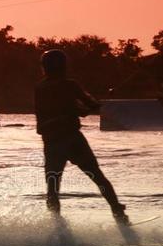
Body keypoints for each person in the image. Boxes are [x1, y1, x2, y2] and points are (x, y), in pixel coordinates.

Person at [34, 49, 129, 225]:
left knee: (52, 188)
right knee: (97, 177)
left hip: (52, 142)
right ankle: (118, 212)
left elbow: (49, 114)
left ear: (44, 67)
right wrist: (93, 105)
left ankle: (56, 226)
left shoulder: (39, 89)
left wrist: (79, 111)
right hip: (73, 140)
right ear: (63, 66)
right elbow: (89, 105)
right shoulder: (70, 85)